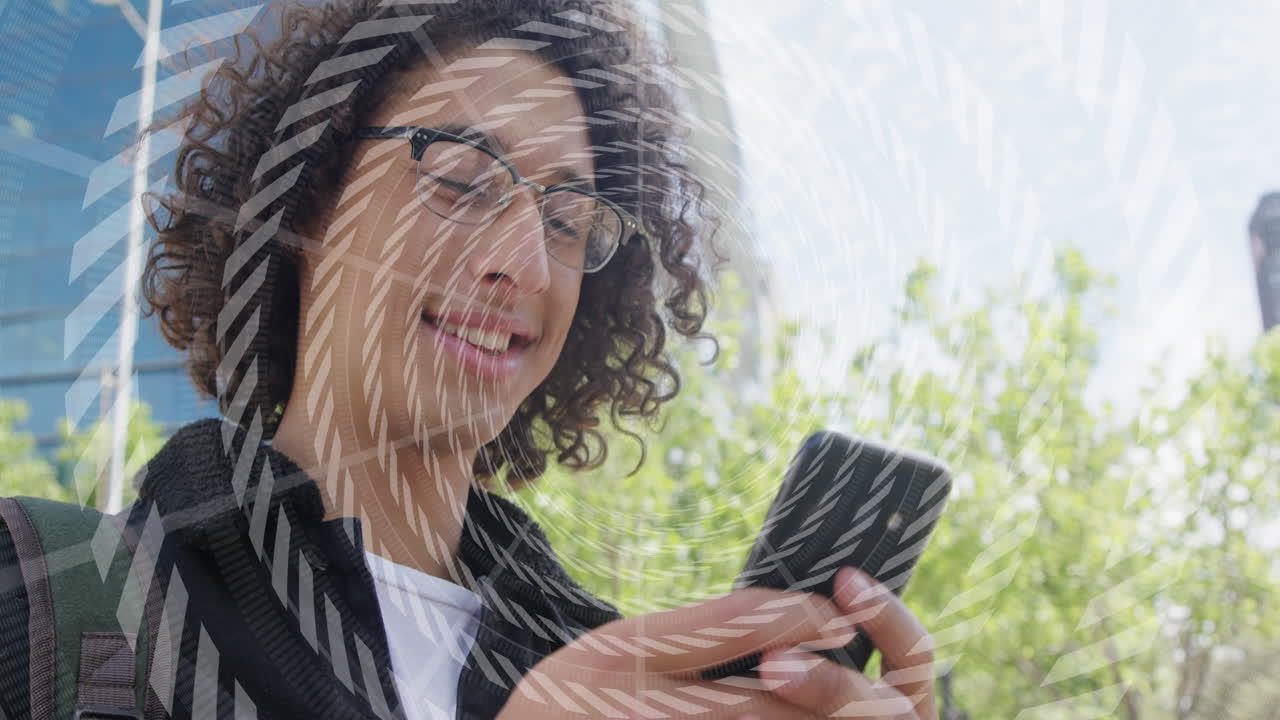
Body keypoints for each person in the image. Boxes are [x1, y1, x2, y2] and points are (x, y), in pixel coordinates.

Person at [0, 0, 938, 718]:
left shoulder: (639, 686)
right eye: (460, 177)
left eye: (567, 219)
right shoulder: (42, 593)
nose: (525, 263)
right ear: (310, 201)